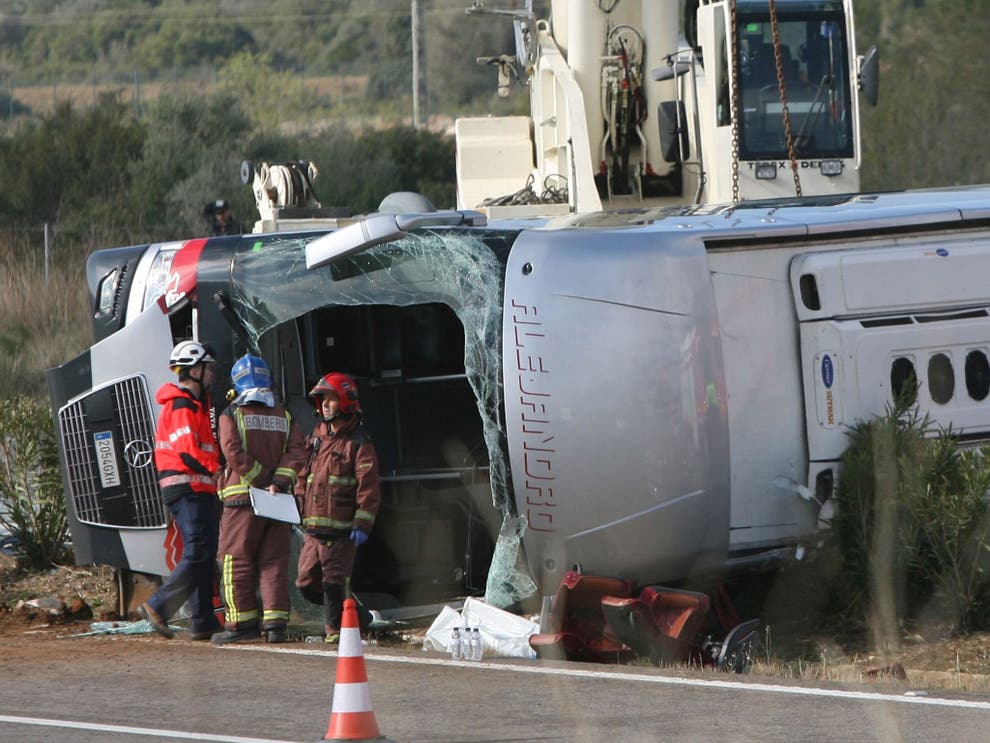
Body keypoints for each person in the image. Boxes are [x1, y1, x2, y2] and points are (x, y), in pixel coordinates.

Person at [211, 354, 307, 644]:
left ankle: (241, 624)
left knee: (235, 560)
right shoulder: (284, 415)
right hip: (277, 503)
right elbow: (297, 453)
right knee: (274, 561)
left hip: (241, 500)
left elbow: (232, 451)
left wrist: (261, 479)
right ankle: (275, 626)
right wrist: (278, 482)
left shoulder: (232, 414)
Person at [138, 340, 222, 641]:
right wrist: (216, 468)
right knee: (198, 551)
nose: (212, 374)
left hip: (198, 487)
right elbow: (187, 451)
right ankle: (158, 605)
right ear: (194, 370)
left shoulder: (196, 405)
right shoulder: (182, 405)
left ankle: (203, 620)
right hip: (186, 487)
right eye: (208, 368)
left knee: (205, 553)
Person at [295, 372, 380, 643]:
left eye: (330, 399)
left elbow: (369, 487)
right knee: (306, 582)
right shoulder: (316, 437)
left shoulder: (358, 441)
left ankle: (337, 633)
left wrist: (362, 523)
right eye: (322, 400)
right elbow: (302, 475)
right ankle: (354, 615)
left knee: (333, 582)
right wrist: (297, 506)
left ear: (345, 401)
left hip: (341, 531)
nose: (325, 405)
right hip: (312, 528)